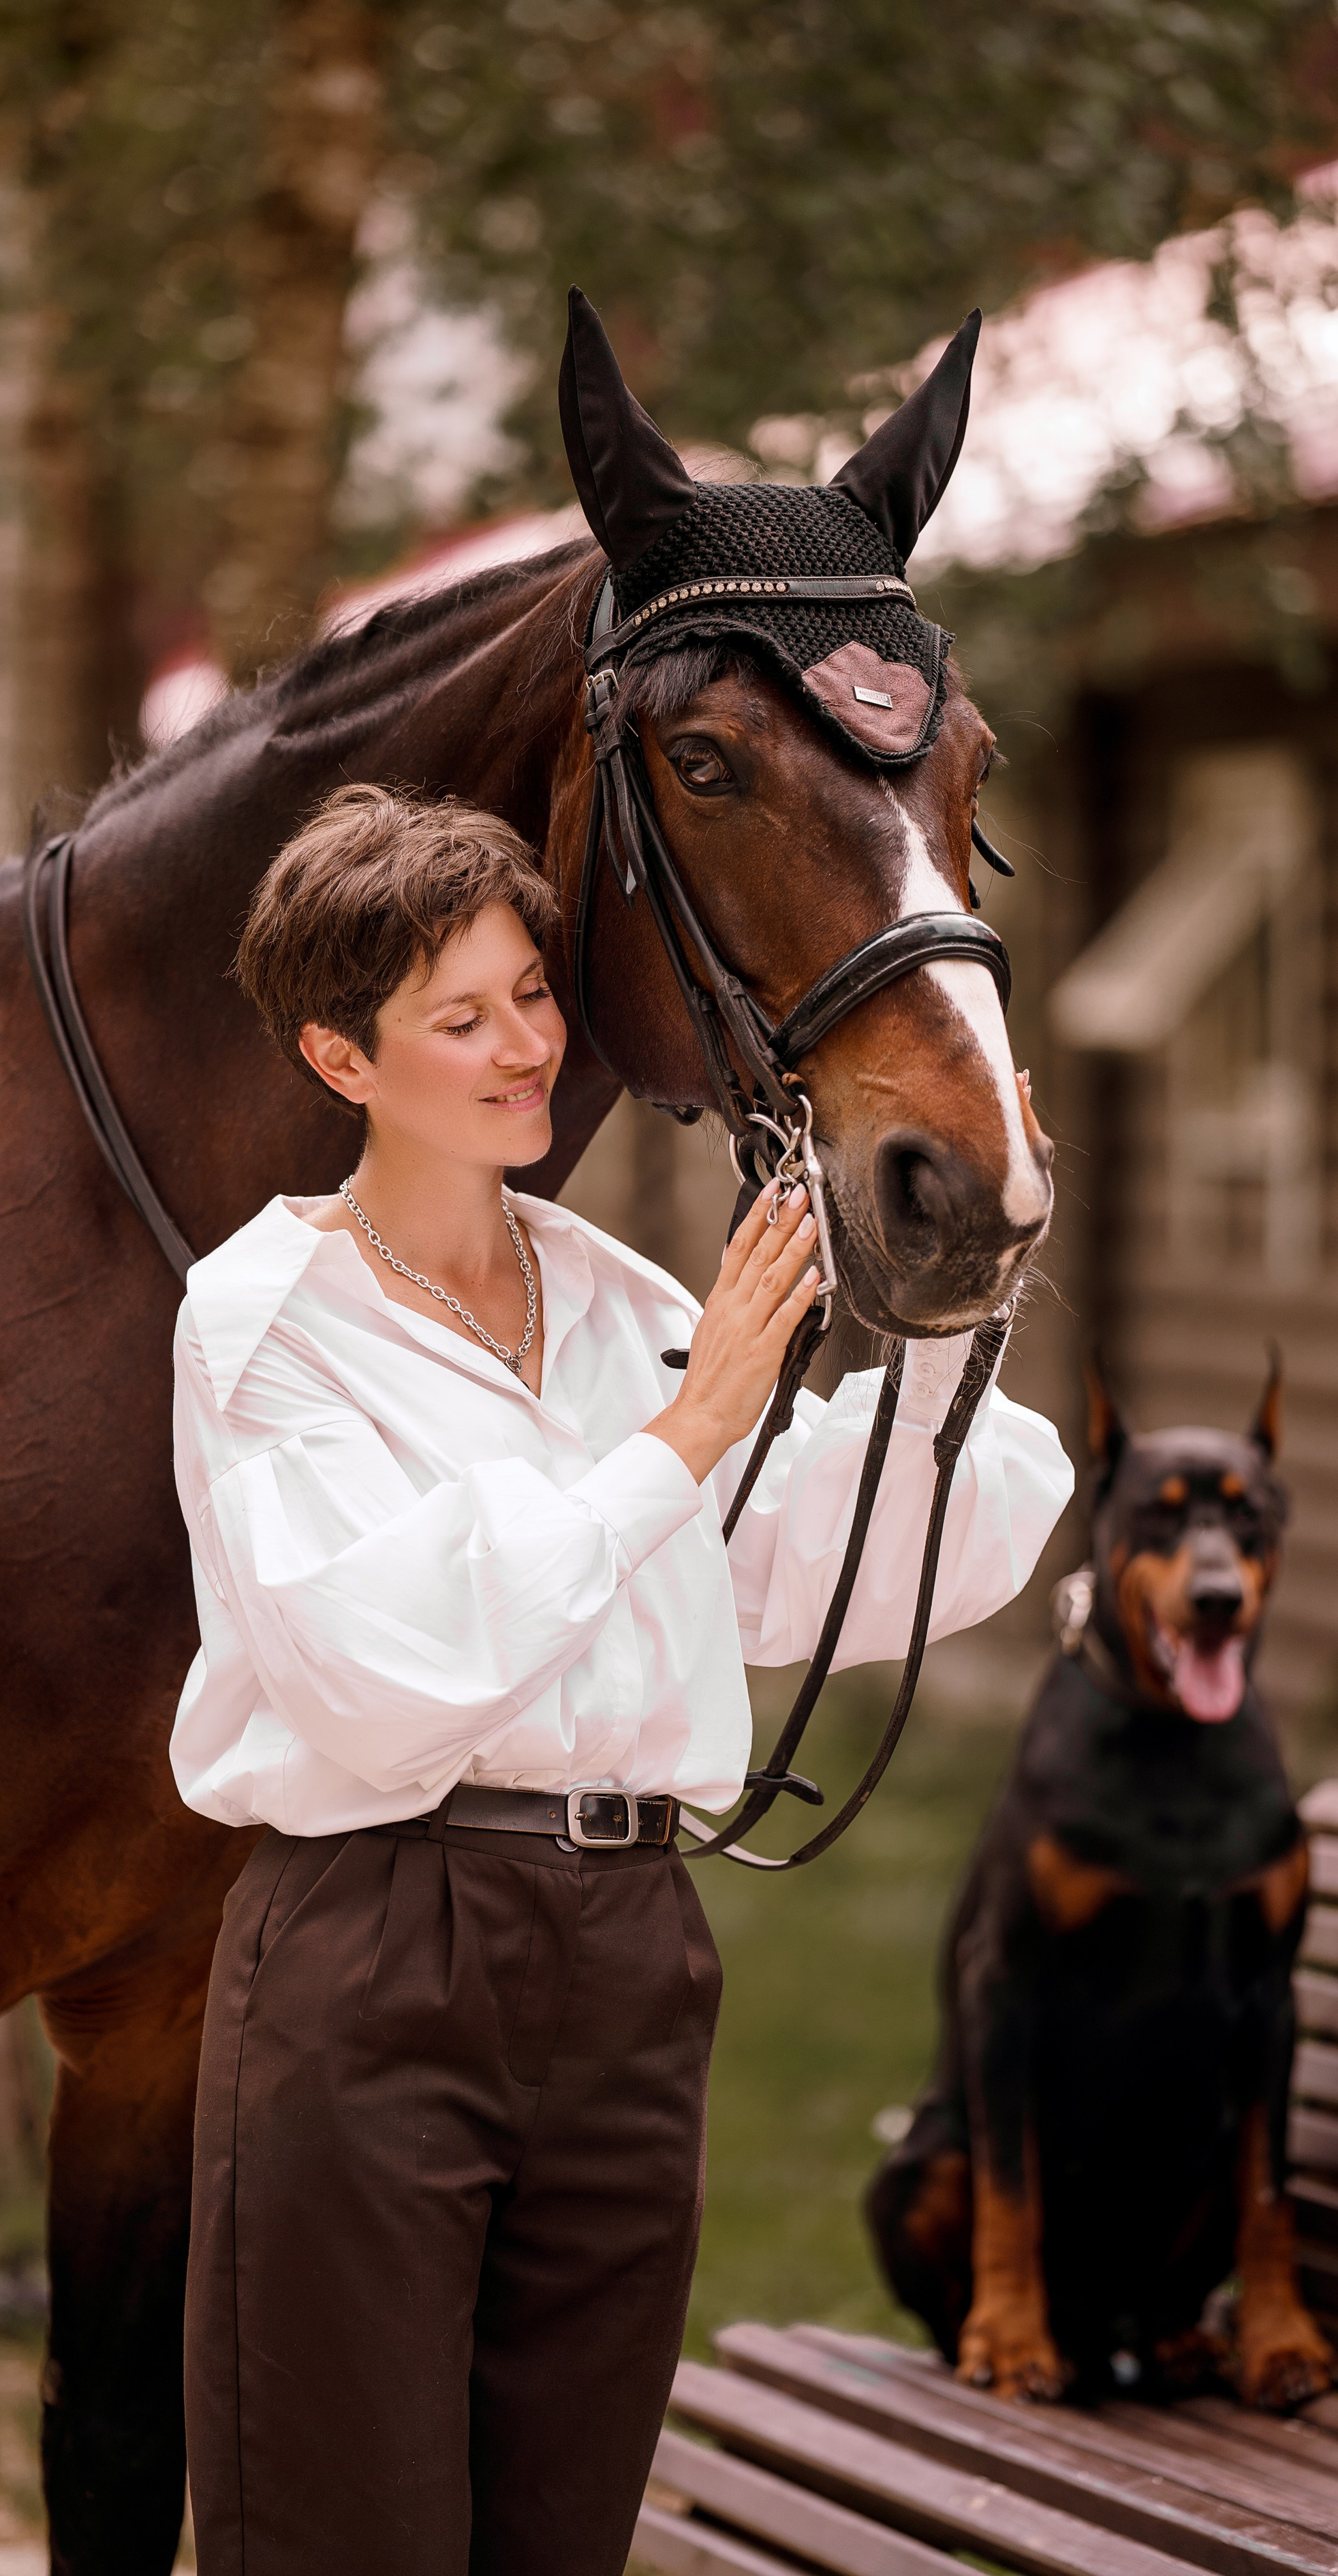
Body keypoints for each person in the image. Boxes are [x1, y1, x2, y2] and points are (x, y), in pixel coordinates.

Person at [170, 781, 1072, 2576]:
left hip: (634, 1959)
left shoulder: (611, 1296)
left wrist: (966, 1284)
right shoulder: (262, 1321)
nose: (527, 1050)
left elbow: (827, 1563)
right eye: (461, 1017)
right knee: (348, 2538)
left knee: (564, 2540)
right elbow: (378, 1668)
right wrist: (687, 1431)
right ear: (341, 1061)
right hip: (378, 1952)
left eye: (532, 993)